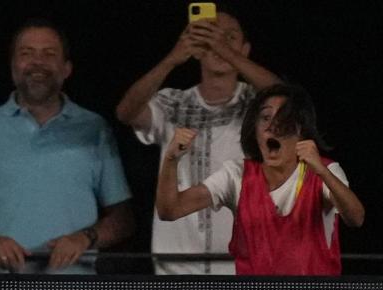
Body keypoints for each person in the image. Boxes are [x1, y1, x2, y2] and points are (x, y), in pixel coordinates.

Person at [0, 19, 134, 274]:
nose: (37, 62)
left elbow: (123, 219)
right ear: (13, 67)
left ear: (67, 69)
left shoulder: (95, 128)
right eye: (26, 53)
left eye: (49, 54)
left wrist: (84, 238)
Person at [116, 9, 280, 275]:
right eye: (210, 35)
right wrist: (172, 59)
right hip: (177, 267)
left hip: (243, 265)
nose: (219, 43)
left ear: (245, 50)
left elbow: (287, 100)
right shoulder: (173, 102)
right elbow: (126, 113)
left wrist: (226, 52)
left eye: (229, 37)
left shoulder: (257, 103)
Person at [156, 83, 365, 275]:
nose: (272, 126)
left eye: (284, 119)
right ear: (254, 130)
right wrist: (171, 159)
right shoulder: (235, 174)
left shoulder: (327, 171)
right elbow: (170, 210)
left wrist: (320, 170)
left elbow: (356, 218)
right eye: (265, 118)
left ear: (301, 130)